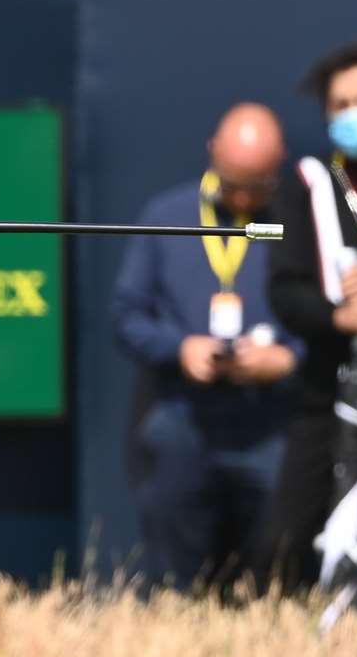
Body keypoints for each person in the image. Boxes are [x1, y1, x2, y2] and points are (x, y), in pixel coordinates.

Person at [110, 104, 299, 590]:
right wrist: (180, 348)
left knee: (274, 574)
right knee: (176, 576)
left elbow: (331, 317)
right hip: (182, 419)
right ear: (212, 154)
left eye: (256, 186)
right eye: (232, 181)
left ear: (279, 165)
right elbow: (127, 315)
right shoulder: (167, 215)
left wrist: (288, 357)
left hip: (270, 426)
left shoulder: (298, 226)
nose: (240, 197)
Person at [265, 41, 357, 601]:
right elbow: (285, 291)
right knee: (287, 540)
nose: (356, 114)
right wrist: (343, 317)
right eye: (343, 104)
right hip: (327, 391)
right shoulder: (308, 185)